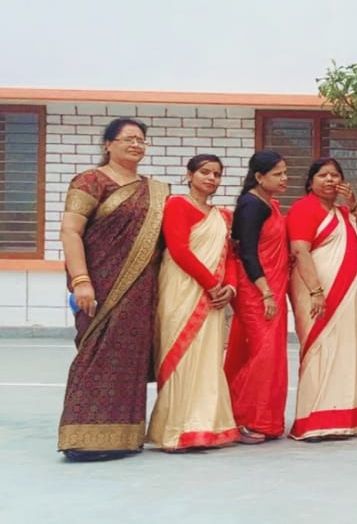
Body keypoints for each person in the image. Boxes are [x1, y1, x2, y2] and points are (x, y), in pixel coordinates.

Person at [58, 118, 169, 461]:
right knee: (94, 356)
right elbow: (71, 231)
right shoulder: (91, 181)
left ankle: (123, 437)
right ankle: (81, 438)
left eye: (141, 140)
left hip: (141, 290)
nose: (136, 145)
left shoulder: (155, 190)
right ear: (108, 144)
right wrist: (81, 280)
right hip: (100, 286)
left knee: (129, 360)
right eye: (128, 139)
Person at [147, 154, 239, 452]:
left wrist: (230, 288)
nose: (211, 178)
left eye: (216, 174)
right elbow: (179, 250)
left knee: (208, 359)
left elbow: (230, 256)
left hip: (215, 295)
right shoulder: (177, 204)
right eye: (204, 172)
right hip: (182, 290)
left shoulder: (222, 216)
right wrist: (212, 285)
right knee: (181, 356)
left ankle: (206, 427)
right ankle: (175, 431)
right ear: (189, 175)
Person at [286, 158, 357, 441]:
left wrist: (354, 205)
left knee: (343, 350)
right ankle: (310, 421)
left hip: (345, 295)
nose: (330, 180)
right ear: (310, 182)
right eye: (323, 175)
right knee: (318, 350)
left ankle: (340, 418)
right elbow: (300, 250)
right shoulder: (303, 208)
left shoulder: (344, 213)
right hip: (315, 291)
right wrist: (316, 291)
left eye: (335, 175)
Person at [224, 151, 291, 443]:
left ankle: (264, 420)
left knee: (267, 354)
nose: (284, 178)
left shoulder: (268, 203)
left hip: (271, 286)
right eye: (277, 174)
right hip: (257, 289)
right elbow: (247, 252)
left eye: (285, 172)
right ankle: (243, 418)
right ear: (259, 177)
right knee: (263, 355)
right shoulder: (252, 205)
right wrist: (265, 292)